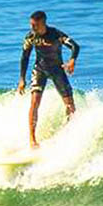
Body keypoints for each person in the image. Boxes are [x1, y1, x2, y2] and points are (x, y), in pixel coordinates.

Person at [17, 10, 79, 148]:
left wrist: (72, 61)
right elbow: (25, 57)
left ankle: (69, 132)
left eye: (35, 25)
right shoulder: (30, 37)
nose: (32, 28)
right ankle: (32, 140)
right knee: (34, 102)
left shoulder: (56, 34)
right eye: (31, 25)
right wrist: (22, 79)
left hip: (57, 70)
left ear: (43, 23)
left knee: (70, 105)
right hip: (40, 70)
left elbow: (75, 46)